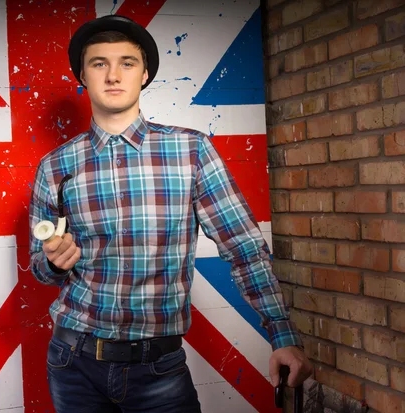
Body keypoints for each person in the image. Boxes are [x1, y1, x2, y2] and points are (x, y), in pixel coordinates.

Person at [28, 14, 313, 413]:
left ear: (144, 75)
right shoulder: (54, 166)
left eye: (127, 63)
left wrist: (282, 335)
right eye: (99, 64)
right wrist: (55, 264)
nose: (113, 75)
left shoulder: (191, 151)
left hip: (157, 368)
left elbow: (243, 247)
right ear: (83, 76)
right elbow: (39, 268)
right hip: (72, 361)